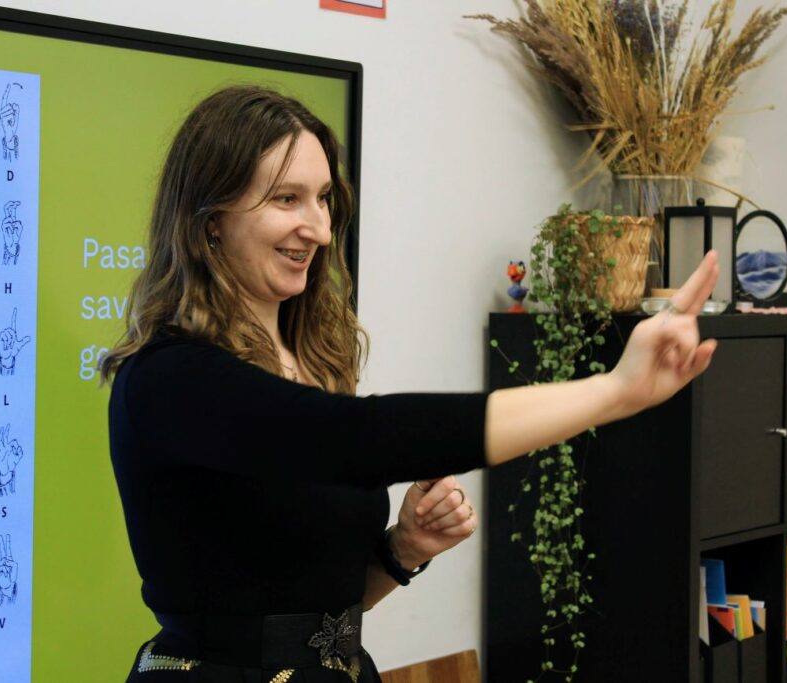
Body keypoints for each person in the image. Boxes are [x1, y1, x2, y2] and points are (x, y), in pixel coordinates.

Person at [101, 86, 719, 682]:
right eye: (287, 199)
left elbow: (311, 618)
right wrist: (613, 391)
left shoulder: (309, 359)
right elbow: (360, 439)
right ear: (210, 219)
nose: (319, 229)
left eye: (323, 199)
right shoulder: (169, 377)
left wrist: (404, 548)